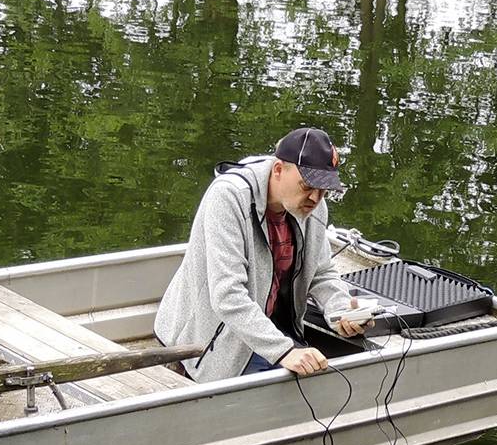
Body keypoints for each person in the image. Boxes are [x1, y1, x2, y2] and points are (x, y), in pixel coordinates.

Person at [155, 127, 370, 382]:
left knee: (324, 377)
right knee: (302, 389)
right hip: (207, 342)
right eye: (308, 185)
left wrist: (341, 311)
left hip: (268, 330)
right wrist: (285, 351)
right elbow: (228, 296)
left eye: (324, 189)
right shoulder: (228, 197)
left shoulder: (313, 206)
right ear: (278, 170)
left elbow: (321, 273)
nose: (315, 197)